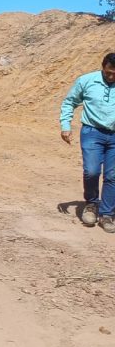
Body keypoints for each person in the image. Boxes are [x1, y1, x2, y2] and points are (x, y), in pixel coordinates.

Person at [61, 53, 115, 231]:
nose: (111, 77)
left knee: (112, 175)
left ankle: (107, 214)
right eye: (108, 72)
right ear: (103, 67)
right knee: (91, 171)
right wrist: (65, 125)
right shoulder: (86, 81)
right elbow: (69, 102)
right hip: (92, 132)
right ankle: (92, 204)